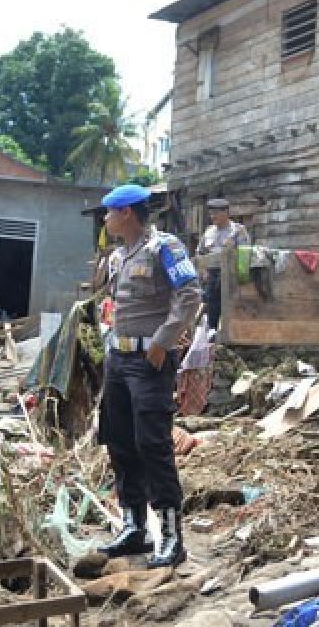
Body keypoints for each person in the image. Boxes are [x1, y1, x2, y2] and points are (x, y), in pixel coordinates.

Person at [96, 183, 201, 566]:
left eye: (109, 213)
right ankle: (134, 527)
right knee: (120, 441)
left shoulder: (164, 247)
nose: (105, 220)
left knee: (152, 444)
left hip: (150, 362)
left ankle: (172, 536)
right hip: (118, 362)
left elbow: (190, 293)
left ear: (126, 213)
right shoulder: (118, 256)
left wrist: (164, 340)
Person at [195, 198, 251, 331]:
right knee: (212, 308)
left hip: (231, 276)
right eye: (211, 213)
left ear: (226, 213)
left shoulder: (238, 230)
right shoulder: (208, 232)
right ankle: (213, 337)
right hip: (211, 276)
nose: (212, 216)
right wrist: (203, 271)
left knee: (232, 308)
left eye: (216, 213)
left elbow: (245, 254)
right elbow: (199, 253)